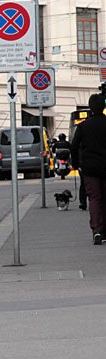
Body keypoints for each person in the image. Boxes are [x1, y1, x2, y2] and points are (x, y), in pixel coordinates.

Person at [71, 93, 106, 245]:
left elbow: (73, 146)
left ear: (90, 107)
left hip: (90, 168)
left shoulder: (83, 126)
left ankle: (96, 230)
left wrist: (75, 163)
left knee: (94, 198)